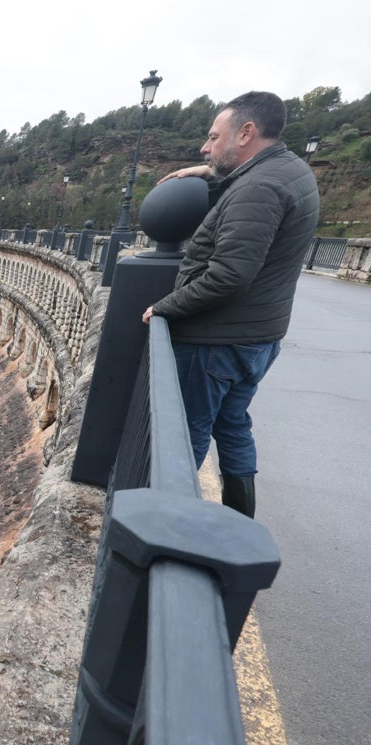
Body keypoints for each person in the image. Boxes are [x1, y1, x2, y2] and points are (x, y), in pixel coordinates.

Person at [140, 91, 319, 517]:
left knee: (186, 437)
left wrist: (165, 306)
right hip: (258, 338)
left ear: (246, 133)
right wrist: (211, 172)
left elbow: (228, 276)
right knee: (233, 424)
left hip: (217, 342)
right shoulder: (290, 171)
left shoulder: (259, 188)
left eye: (213, 136)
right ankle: (239, 517)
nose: (205, 146)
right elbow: (254, 203)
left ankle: (168, 526)